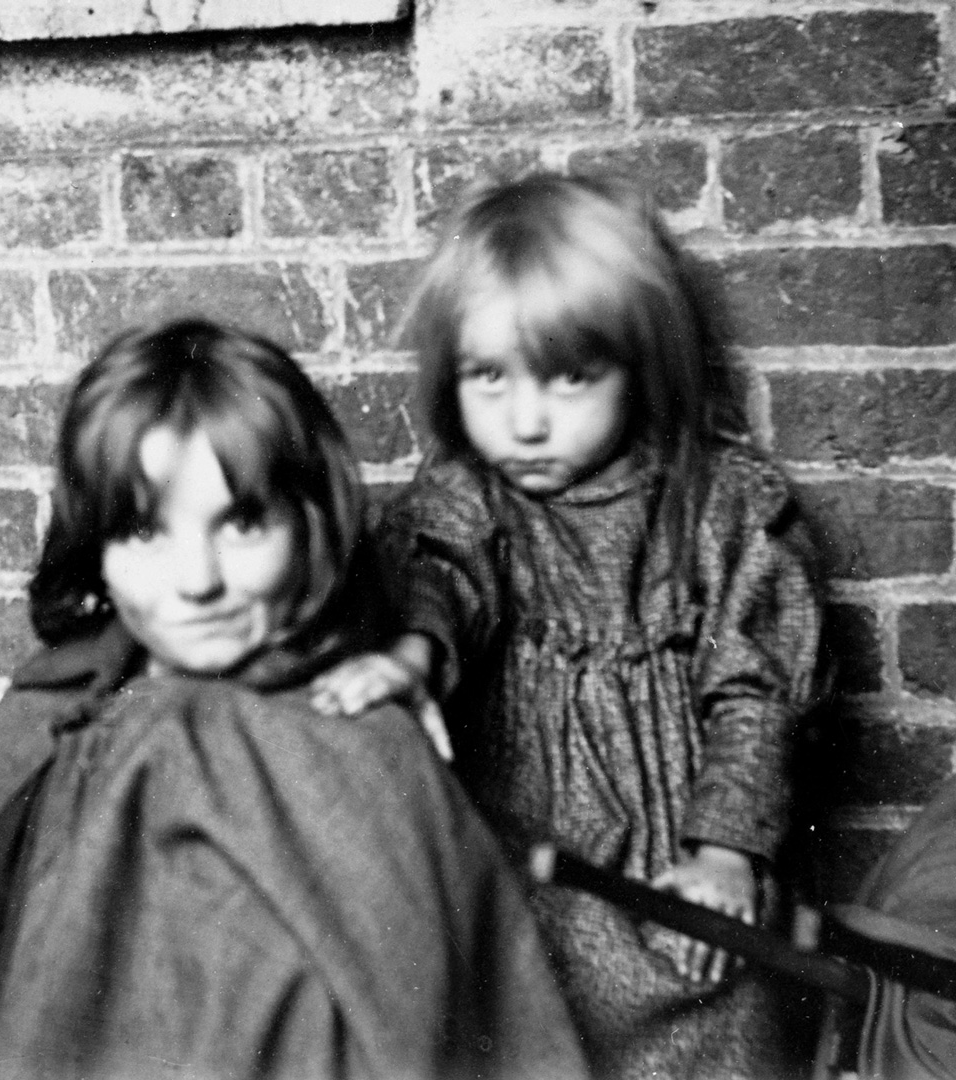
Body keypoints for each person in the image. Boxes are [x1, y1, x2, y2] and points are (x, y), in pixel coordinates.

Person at [0, 318, 590, 1080]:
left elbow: (459, 1022)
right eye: (145, 532)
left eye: (243, 525)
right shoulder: (60, 721)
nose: (198, 581)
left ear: (309, 525)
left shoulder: (363, 739)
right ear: (95, 546)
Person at [310, 173, 826, 1079]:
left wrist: (726, 852)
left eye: (570, 378)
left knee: (727, 991)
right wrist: (414, 655)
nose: (527, 421)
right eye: (488, 378)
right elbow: (444, 582)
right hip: (524, 851)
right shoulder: (469, 499)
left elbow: (755, 691)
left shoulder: (717, 508)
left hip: (681, 853)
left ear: (642, 362)